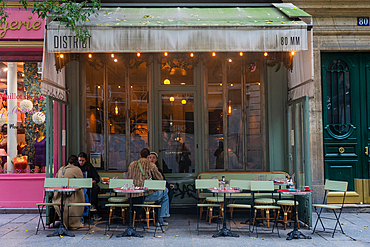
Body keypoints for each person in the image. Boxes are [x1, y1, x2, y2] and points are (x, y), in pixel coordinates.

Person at [127, 148, 170, 226]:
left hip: (132, 196)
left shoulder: (131, 164)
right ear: (148, 156)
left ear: (140, 155)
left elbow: (128, 178)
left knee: (164, 192)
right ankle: (160, 219)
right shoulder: (151, 165)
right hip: (145, 196)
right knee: (165, 191)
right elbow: (160, 179)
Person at [52, 155, 84, 229]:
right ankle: (76, 222)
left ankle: (64, 222)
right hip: (71, 197)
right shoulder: (77, 169)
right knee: (83, 192)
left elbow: (56, 179)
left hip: (59, 196)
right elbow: (81, 182)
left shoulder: (61, 169)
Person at [78, 152, 102, 221]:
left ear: (85, 160)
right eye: (80, 160)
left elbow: (97, 178)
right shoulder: (77, 167)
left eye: (83, 161)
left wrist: (93, 181)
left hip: (89, 187)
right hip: (81, 187)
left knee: (93, 190)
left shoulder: (89, 167)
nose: (81, 162)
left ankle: (92, 210)